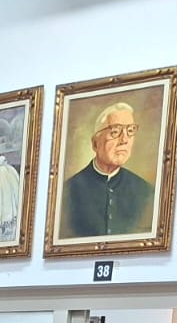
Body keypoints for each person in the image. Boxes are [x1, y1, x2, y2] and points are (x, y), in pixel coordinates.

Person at [61, 102, 155, 238]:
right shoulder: (67, 191)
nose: (124, 140)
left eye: (130, 131)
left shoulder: (146, 192)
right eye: (115, 131)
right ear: (95, 143)